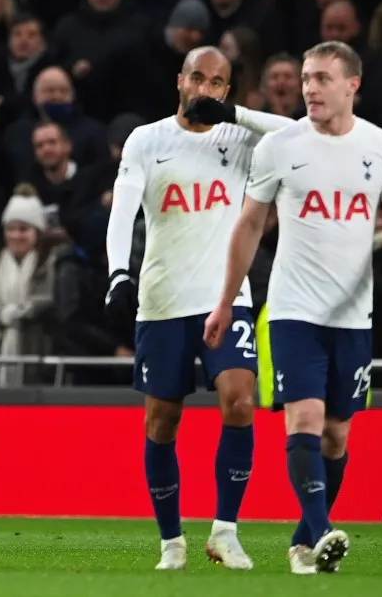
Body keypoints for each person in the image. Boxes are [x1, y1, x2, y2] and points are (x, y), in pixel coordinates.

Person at [204, 41, 382, 574]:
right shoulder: (281, 145)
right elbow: (250, 225)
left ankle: (304, 543)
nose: (310, 88)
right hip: (293, 309)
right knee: (305, 416)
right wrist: (226, 298)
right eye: (306, 78)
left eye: (322, 78)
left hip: (353, 314)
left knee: (338, 432)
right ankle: (323, 532)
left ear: (353, 85)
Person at [104, 46, 294, 571]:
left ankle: (226, 531)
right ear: (179, 81)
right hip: (163, 300)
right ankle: (172, 543)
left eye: (217, 83)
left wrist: (234, 115)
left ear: (227, 91)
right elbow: (123, 211)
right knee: (162, 421)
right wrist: (119, 273)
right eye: (198, 79)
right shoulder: (147, 140)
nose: (205, 89)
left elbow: (301, 133)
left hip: (226, 298)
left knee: (239, 400)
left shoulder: (243, 139)